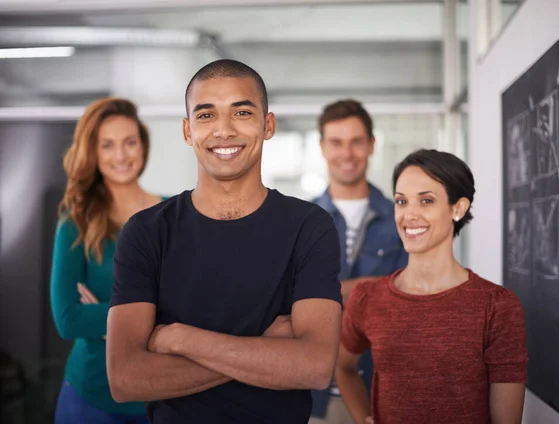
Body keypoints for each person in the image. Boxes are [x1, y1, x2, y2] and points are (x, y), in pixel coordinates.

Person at [106, 59, 343, 424]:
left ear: (268, 125)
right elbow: (125, 379)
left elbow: (313, 368)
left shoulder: (309, 227)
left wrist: (183, 340)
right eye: (206, 116)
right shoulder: (147, 231)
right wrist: (266, 351)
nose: (223, 130)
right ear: (187, 131)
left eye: (242, 112)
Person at [335, 149, 528, 424]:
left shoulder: (497, 306)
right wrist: (363, 418)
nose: (409, 215)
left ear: (458, 208)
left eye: (426, 200)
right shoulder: (369, 298)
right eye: (402, 202)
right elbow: (344, 368)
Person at [50, 97, 166, 423]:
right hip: (91, 397)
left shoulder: (175, 215)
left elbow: (192, 306)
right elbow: (69, 319)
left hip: (162, 395)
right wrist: (154, 318)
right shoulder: (76, 223)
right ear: (93, 153)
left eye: (130, 142)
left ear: (143, 146)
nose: (121, 156)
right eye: (107, 145)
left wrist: (107, 314)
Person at [310, 100, 407, 423]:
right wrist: (374, 287)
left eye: (356, 142)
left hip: (382, 395)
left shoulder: (402, 217)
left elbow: (411, 298)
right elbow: (286, 300)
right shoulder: (300, 221)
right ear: (322, 147)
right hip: (313, 399)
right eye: (336, 142)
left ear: (372, 144)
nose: (347, 154)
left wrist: (325, 293)